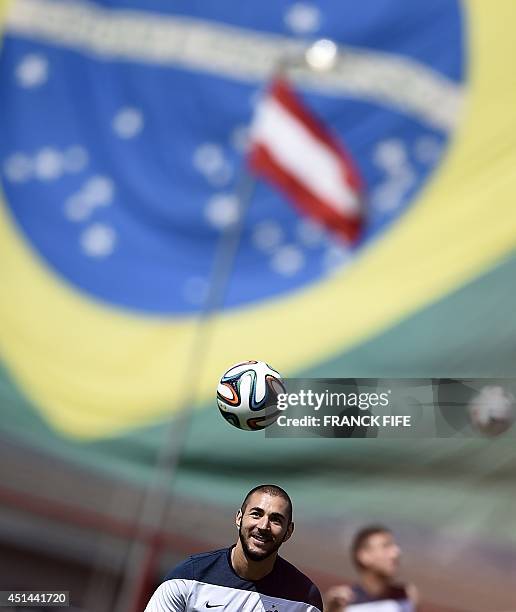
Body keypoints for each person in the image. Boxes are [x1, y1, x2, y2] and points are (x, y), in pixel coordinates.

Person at [145, 484, 323, 611]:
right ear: (239, 518)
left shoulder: (304, 600)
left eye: (275, 519)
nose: (263, 525)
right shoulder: (187, 579)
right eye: (256, 514)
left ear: (288, 531)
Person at [325, 525, 418, 611]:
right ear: (364, 556)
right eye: (386, 546)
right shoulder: (344, 602)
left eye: (394, 546)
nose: (396, 553)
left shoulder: (407, 595)